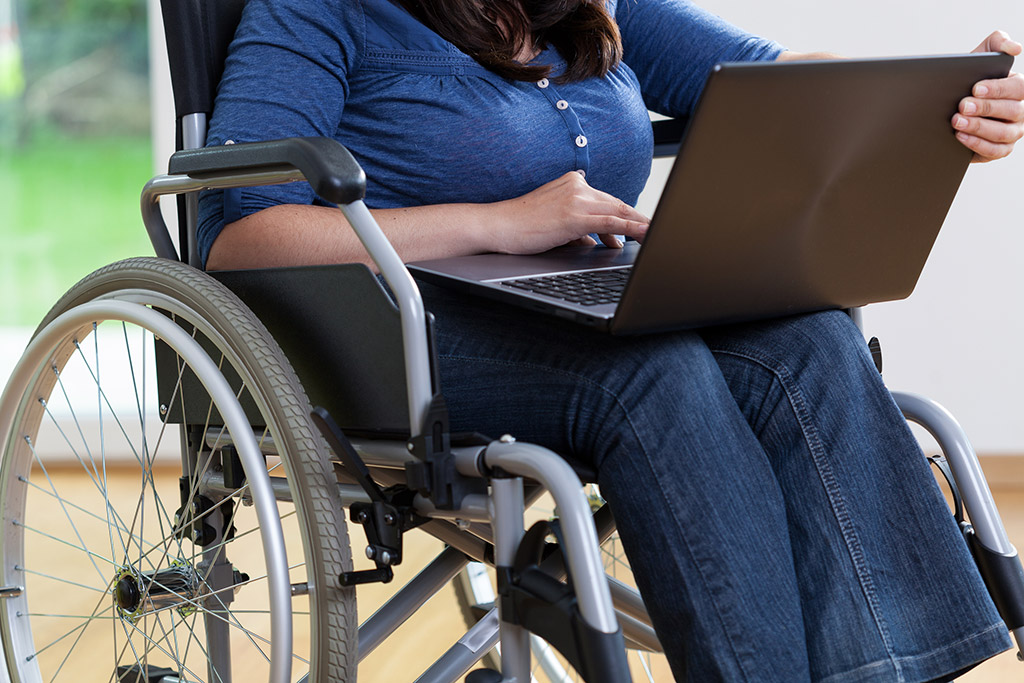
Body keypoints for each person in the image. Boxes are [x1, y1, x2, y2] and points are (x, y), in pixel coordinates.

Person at [197, 0, 1024, 680]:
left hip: (587, 299)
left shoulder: (588, 9)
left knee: (807, 339)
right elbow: (245, 237)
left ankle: (892, 667)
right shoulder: (318, 12)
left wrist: (938, 102)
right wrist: (500, 225)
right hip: (397, 334)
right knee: (651, 373)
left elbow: (781, 85)